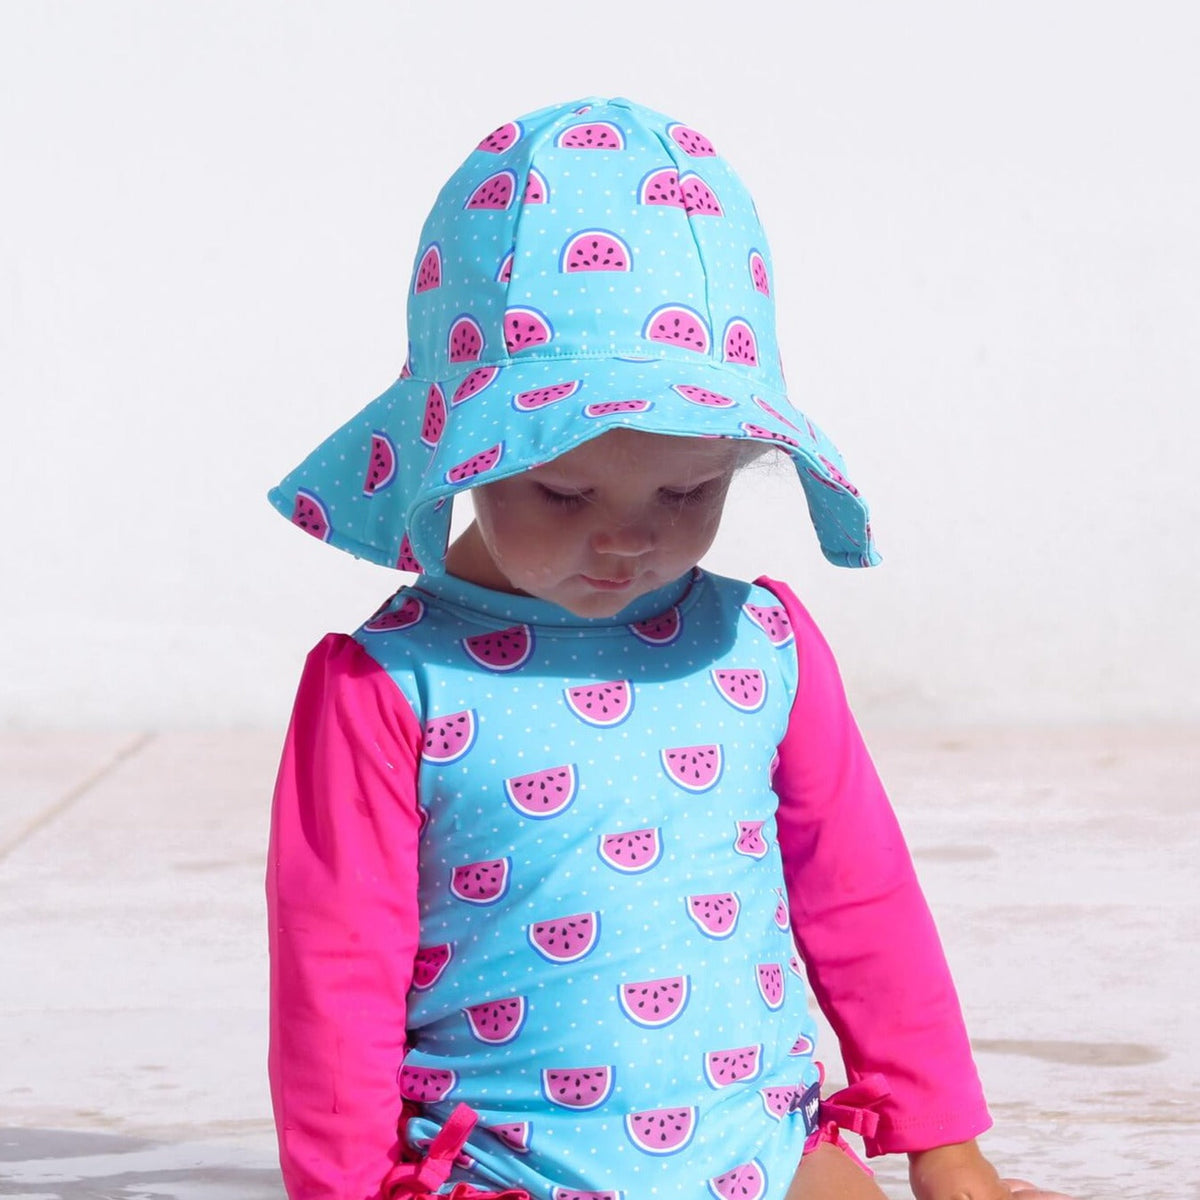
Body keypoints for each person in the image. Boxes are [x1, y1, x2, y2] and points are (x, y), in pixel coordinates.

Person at [266, 96, 1070, 1200]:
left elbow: (863, 900)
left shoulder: (760, 648)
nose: (627, 539)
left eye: (687, 492)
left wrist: (945, 1144)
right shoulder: (391, 687)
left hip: (761, 1147)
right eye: (564, 491)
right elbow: (333, 977)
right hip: (506, 1164)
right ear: (461, 451)